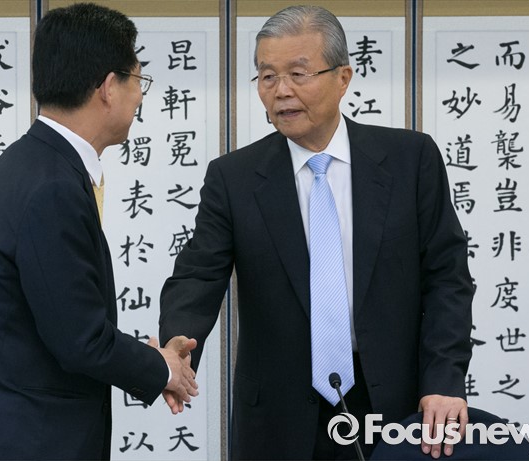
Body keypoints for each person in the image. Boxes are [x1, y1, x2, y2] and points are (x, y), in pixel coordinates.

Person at [159, 5, 473, 460]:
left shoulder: (410, 160)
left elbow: (447, 278)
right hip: (277, 418)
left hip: (394, 405)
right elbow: (197, 275)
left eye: (298, 73)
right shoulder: (235, 177)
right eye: (267, 76)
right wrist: (177, 343)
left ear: (343, 78)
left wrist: (444, 380)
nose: (281, 90)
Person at [0, 3, 198, 460]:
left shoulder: (31, 162)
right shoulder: (52, 185)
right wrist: (162, 368)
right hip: (21, 441)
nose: (140, 97)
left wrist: (154, 363)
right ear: (109, 87)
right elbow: (80, 340)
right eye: (138, 80)